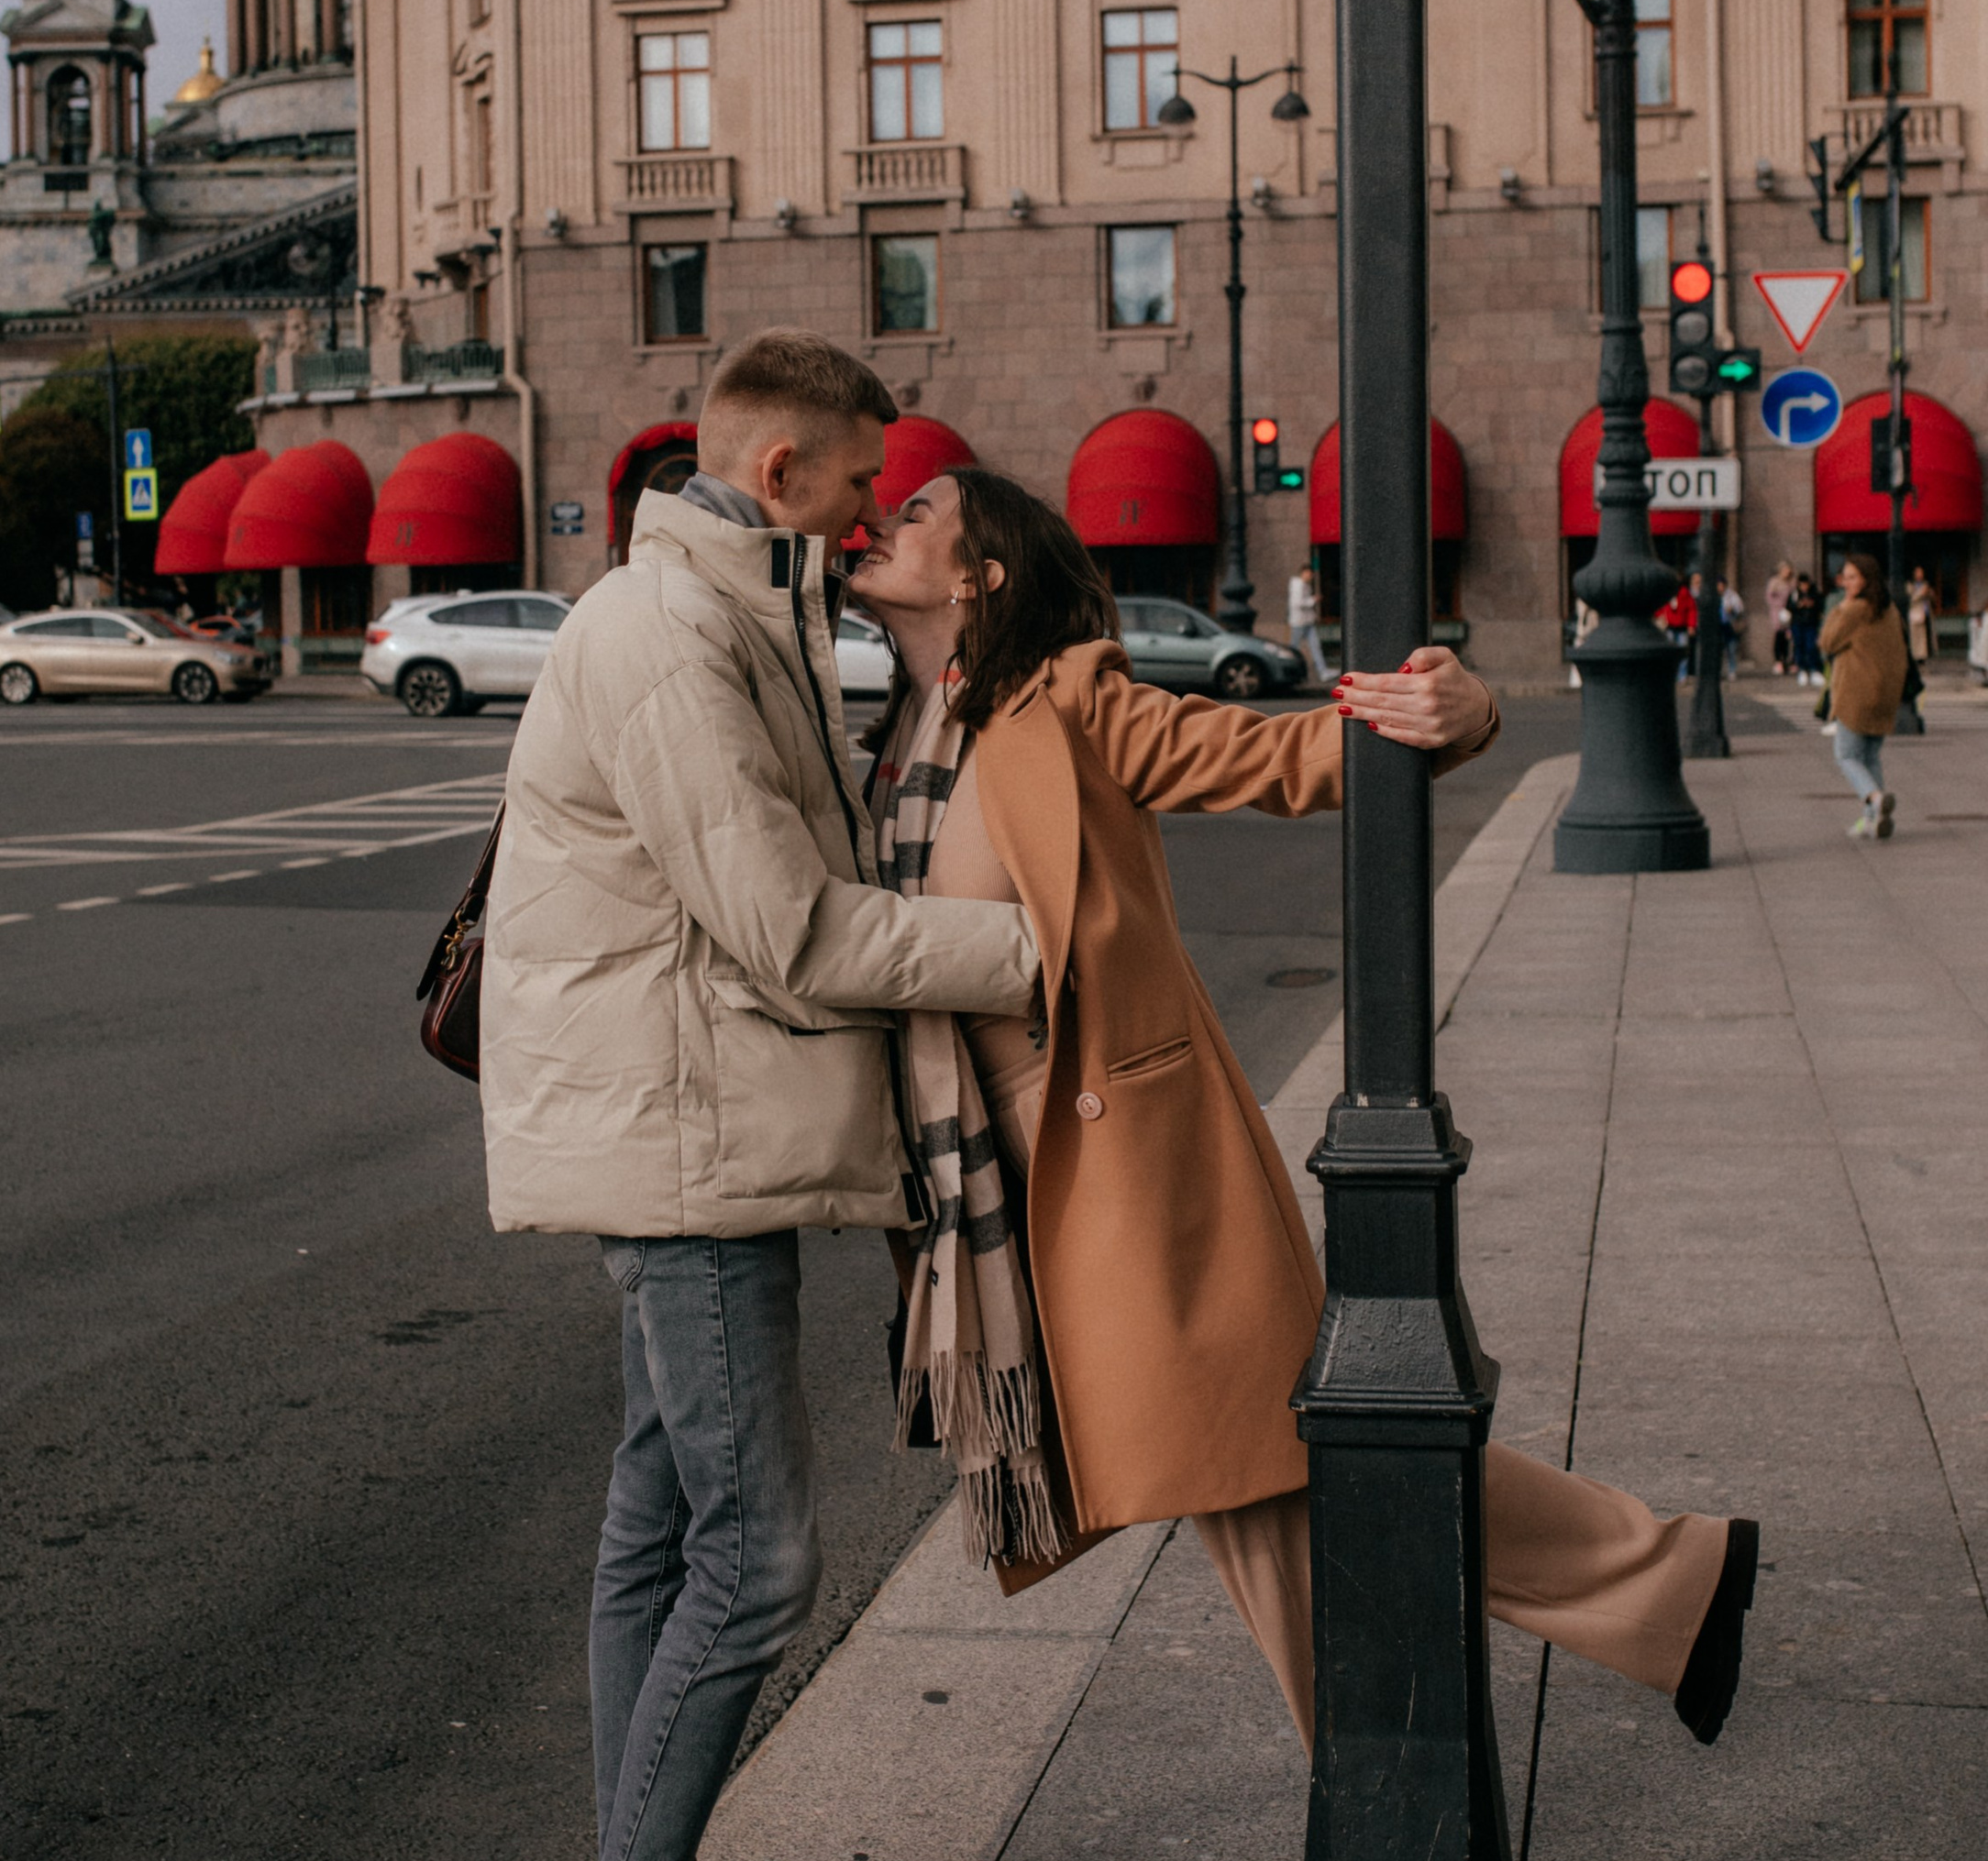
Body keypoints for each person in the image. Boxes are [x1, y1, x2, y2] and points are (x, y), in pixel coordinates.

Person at [849, 467, 1761, 1775]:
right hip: (1002, 1186)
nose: (886, 519)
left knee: (1258, 1457)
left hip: (1118, 1170)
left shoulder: (1065, 698)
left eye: (919, 512)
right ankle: (1666, 1587)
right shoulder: (902, 739)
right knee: (1267, 1455)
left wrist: (1459, 715)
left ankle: (1404, 1762)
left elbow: (1270, 755)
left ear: (980, 572)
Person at [480, 332, 1042, 1861]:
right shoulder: (672, 636)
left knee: (660, 1526)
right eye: (859, 481)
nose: (869, 514)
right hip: (689, 1144)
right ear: (779, 468)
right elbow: (791, 927)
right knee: (760, 1567)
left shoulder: (734, 611)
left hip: (692, 1117)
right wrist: (1039, 952)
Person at [1821, 553, 1905, 840]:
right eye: (1844, 577)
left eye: (1852, 577)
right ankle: (1873, 820)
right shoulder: (1889, 610)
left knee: (1846, 755)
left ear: (1866, 580)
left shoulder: (1856, 609)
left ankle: (1875, 799)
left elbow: (1827, 642)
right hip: (1886, 696)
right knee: (1870, 757)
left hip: (1856, 695)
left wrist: (1841, 608)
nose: (1846, 583)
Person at [1287, 567, 1335, 681]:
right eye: (1309, 574)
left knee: (1315, 646)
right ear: (1303, 573)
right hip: (1299, 622)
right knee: (1294, 648)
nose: (1311, 576)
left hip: (1307, 622)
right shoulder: (1297, 585)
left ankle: (1323, 671)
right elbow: (1297, 603)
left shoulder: (1305, 586)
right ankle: (1290, 672)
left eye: (1311, 574)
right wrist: (1313, 600)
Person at [1658, 576, 1698, 680]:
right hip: (1669, 627)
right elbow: (1660, 608)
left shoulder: (1685, 594)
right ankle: (1671, 674)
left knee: (1683, 652)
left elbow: (1691, 610)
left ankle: (1682, 675)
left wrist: (1691, 625)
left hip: (1682, 628)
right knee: (1669, 652)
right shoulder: (1666, 594)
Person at [1788, 571, 1825, 682]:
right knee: (1799, 646)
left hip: (1811, 623)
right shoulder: (1794, 594)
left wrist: (1812, 604)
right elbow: (1789, 607)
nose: (1804, 586)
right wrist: (1798, 605)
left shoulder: (1815, 593)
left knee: (1811, 646)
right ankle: (1802, 669)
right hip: (1798, 624)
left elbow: (1821, 605)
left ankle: (1814, 669)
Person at [1764, 559, 1795, 675]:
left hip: (1788, 611)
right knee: (1779, 635)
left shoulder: (1791, 582)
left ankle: (1786, 660)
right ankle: (1778, 661)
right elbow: (1769, 596)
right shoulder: (1775, 582)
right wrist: (1778, 605)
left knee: (1787, 636)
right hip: (1777, 611)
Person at [1906, 566, 1938, 667]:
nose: (1920, 575)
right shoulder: (1910, 586)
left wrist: (1930, 593)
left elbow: (1932, 599)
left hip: (1926, 612)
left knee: (1926, 636)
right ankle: (1917, 657)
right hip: (1916, 613)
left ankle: (1924, 656)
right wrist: (1921, 593)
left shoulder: (1925, 584)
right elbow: (1911, 600)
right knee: (1917, 636)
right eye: (1918, 573)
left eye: (1922, 573)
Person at [1717, 577, 1746, 679]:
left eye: (1721, 585)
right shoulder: (1714, 595)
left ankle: (1732, 670)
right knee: (1718, 650)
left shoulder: (1731, 595)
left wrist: (1733, 609)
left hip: (1729, 625)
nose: (1720, 588)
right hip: (1718, 626)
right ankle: (1718, 671)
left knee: (1731, 649)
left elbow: (1740, 607)